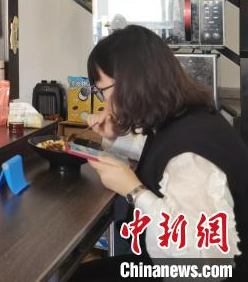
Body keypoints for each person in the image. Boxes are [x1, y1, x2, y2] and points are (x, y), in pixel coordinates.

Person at [71, 25, 248, 281]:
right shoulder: (188, 118)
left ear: (129, 85)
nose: (103, 102)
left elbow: (206, 265)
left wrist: (135, 191)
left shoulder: (189, 157)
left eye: (103, 91)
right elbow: (158, 159)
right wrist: (114, 135)